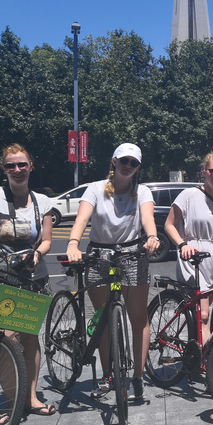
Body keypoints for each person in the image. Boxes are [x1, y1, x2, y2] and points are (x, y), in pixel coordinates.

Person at [66, 143, 160, 402]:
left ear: (138, 167)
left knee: (138, 319)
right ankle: (109, 375)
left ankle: (138, 378)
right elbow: (82, 219)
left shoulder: (142, 191)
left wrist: (152, 236)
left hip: (132, 256)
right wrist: (73, 244)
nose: (128, 166)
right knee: (104, 319)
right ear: (114, 162)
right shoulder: (95, 189)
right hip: (99, 256)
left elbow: (148, 219)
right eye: (124, 161)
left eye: (134, 163)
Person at [0, 144, 56, 419]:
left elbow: (48, 240)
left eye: (22, 165)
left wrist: (37, 253)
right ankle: (11, 402)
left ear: (31, 166)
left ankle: (30, 398)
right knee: (8, 339)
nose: (17, 170)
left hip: (32, 279)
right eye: (10, 166)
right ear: (3, 169)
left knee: (30, 338)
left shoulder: (42, 201)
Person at [165, 153, 213, 345]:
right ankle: (205, 357)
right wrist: (182, 244)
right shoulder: (188, 195)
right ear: (204, 172)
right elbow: (169, 224)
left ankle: (195, 348)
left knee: (202, 310)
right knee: (203, 314)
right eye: (212, 171)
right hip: (192, 254)